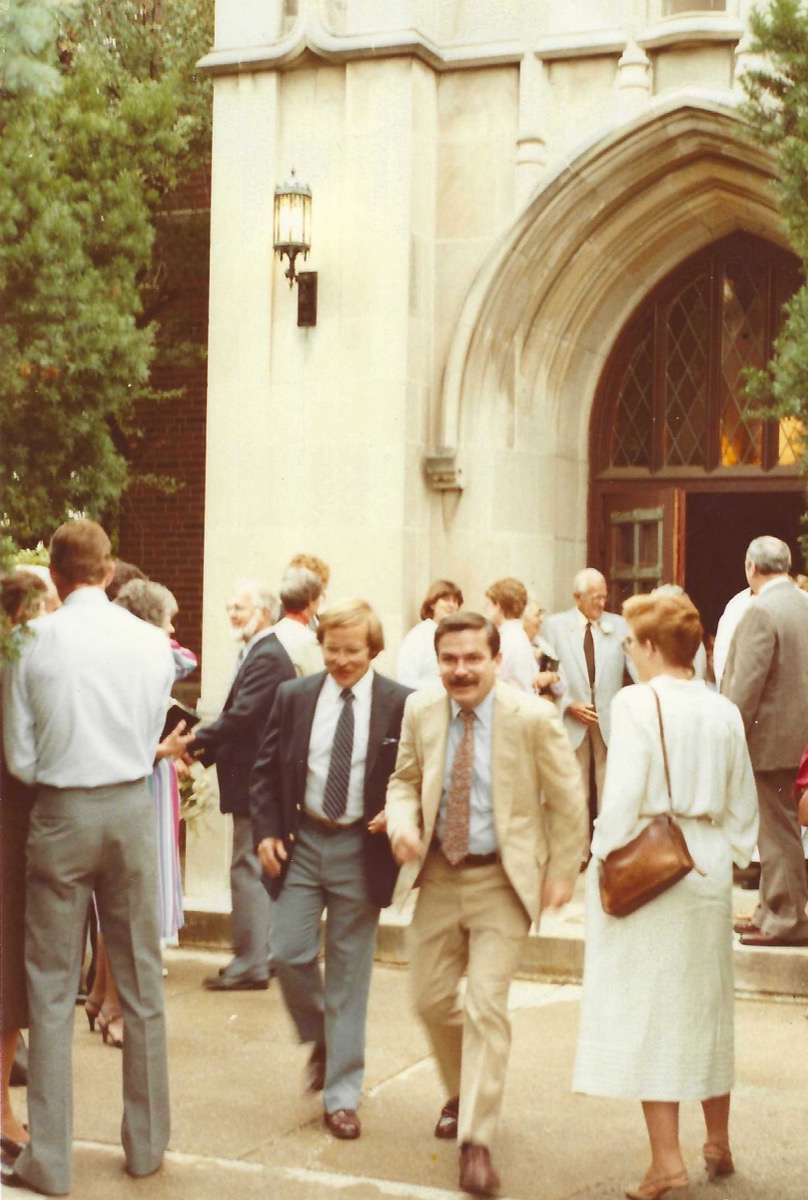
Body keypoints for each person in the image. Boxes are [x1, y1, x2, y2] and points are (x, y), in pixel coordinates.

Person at [386, 611, 586, 1198]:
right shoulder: (422, 709)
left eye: (473, 658)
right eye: (449, 659)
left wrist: (562, 870)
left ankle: (476, 1141)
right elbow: (403, 779)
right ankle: (460, 1089)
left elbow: (567, 797)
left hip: (503, 880)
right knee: (427, 999)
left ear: (497, 660)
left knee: (486, 1006)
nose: (461, 670)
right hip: (440, 876)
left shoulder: (532, 716)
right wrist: (402, 824)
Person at [1, 520, 174, 1196]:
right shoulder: (150, 639)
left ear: (58, 572)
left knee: (49, 987)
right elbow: (152, 720)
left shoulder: (32, 642)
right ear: (107, 572)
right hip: (132, 805)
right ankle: (146, 1142)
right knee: (142, 981)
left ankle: (50, 1157)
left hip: (62, 809)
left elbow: (17, 753)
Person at [573, 592, 758, 1200]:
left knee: (655, 1011)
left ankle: (665, 1163)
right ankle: (718, 1141)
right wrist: (729, 857)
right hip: (706, 863)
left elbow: (624, 793)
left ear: (651, 647)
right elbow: (742, 804)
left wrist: (600, 853)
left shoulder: (634, 702)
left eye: (630, 642)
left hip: (655, 861)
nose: (627, 652)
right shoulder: (723, 708)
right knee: (706, 1004)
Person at [250, 599, 410, 1140]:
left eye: (352, 651)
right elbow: (267, 769)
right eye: (332, 649)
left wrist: (401, 811)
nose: (341, 660)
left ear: (373, 649)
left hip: (361, 848)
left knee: (349, 977)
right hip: (303, 841)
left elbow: (414, 774)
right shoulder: (294, 696)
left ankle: (341, 1095)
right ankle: (323, 1034)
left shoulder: (400, 704)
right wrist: (267, 830)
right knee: (285, 952)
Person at [187, 581, 295, 991]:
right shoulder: (257, 652)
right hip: (253, 777)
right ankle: (257, 956)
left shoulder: (267, 656)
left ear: (263, 613)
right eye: (229, 606)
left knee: (247, 868)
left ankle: (251, 962)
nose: (231, 613)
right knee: (251, 867)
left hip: (257, 781)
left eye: (240, 607)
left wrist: (192, 743)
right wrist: (202, 752)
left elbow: (244, 715)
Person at [721, 536, 808, 946]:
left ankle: (786, 918)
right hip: (797, 738)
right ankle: (771, 910)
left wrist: (726, 733)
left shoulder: (761, 610)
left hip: (770, 742)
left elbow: (745, 687)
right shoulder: (804, 604)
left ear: (750, 568)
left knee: (776, 833)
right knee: (781, 829)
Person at [1, 571, 48, 1163]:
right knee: (8, 968)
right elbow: (21, 758)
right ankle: (2, 1115)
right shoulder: (17, 663)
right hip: (12, 823)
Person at [544, 568, 634, 827]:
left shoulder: (618, 625)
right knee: (577, 787)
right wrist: (569, 703)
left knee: (609, 786)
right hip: (572, 715)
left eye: (604, 597)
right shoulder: (555, 626)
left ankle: (606, 851)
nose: (601, 604)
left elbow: (636, 666)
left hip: (608, 717)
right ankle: (579, 853)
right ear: (577, 597)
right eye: (595, 598)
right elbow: (547, 673)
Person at [396, 579, 463, 689]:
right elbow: (405, 680)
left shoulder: (457, 636)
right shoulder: (419, 636)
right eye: (446, 600)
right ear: (432, 604)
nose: (451, 605)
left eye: (455, 601)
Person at [482, 577, 538, 694]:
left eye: (488, 604)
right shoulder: (518, 636)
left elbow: (493, 680)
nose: (485, 610)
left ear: (498, 606)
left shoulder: (508, 640)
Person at [272, 566, 324, 676]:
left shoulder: (271, 634)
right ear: (310, 601)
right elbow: (317, 682)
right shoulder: (309, 641)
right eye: (319, 597)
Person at [522, 596, 563, 699]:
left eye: (542, 613)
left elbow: (563, 684)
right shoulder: (510, 644)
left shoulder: (543, 644)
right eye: (537, 614)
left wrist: (551, 678)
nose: (542, 619)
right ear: (521, 618)